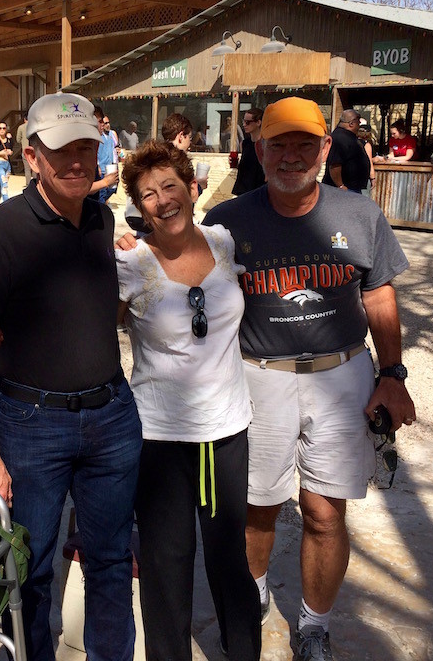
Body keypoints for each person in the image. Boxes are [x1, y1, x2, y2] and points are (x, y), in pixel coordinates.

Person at [202, 97, 416, 661]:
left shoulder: (358, 215)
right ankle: (251, 610)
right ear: (259, 148)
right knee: (258, 507)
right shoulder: (227, 220)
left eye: (304, 144)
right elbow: (190, 289)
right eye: (279, 144)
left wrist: (392, 374)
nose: (291, 156)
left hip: (341, 374)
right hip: (257, 376)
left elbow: (379, 293)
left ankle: (314, 625)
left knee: (325, 511)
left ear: (325, 148)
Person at [0, 92, 142, 661]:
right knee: (29, 569)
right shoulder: (2, 232)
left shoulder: (101, 216)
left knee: (112, 561)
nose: (76, 160)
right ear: (31, 156)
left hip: (112, 417)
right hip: (32, 425)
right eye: (61, 149)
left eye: (86, 147)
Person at [117, 141, 261, 661]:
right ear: (138, 205)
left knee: (229, 559)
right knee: (165, 563)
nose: (162, 201)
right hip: (158, 437)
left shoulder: (223, 242)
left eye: (170, 187)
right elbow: (91, 323)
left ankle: (243, 651)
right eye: (147, 194)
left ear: (192, 188)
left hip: (225, 431)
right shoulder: (130, 263)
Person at [322, 108, 372, 194]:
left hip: (352, 188)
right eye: (358, 120)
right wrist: (340, 185)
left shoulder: (349, 136)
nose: (360, 123)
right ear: (351, 123)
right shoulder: (339, 138)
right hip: (342, 190)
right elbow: (335, 165)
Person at [232, 108, 265, 196]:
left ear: (258, 123)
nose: (244, 125)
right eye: (243, 121)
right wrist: (235, 164)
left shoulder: (266, 144)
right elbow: (246, 167)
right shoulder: (245, 143)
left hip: (260, 188)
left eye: (248, 122)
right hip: (243, 189)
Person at [90, 107, 119, 203]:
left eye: (105, 122)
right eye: (100, 121)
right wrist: (105, 182)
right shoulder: (87, 145)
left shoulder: (111, 135)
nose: (103, 124)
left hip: (110, 168)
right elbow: (80, 189)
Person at [357, 120, 378, 190]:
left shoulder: (351, 141)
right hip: (362, 177)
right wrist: (372, 177)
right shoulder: (366, 145)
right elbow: (369, 161)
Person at [15, 117, 33, 183]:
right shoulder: (34, 126)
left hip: (25, 149)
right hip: (34, 149)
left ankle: (28, 184)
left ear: (24, 119)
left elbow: (18, 139)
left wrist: (23, 141)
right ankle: (35, 183)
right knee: (35, 168)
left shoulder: (21, 127)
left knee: (27, 169)